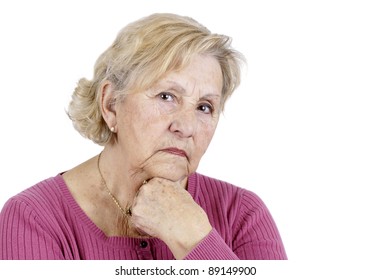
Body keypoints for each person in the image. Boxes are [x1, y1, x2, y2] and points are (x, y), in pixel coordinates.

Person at [0, 13, 287, 260]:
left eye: (204, 107)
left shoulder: (242, 214)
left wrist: (194, 238)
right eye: (166, 96)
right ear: (111, 104)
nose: (186, 126)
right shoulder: (34, 218)